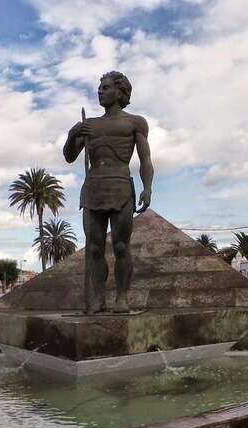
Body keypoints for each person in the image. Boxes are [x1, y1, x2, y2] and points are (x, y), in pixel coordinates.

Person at [63, 71, 154, 314]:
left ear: (120, 92)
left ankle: (122, 298)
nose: (100, 91)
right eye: (99, 88)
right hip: (94, 188)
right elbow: (69, 156)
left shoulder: (135, 122)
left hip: (121, 186)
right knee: (94, 248)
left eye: (105, 87)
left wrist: (147, 187)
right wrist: (73, 134)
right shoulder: (89, 125)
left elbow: (145, 159)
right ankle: (98, 298)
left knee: (121, 246)